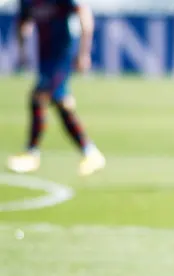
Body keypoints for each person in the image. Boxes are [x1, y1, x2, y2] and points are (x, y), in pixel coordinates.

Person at [7, 0, 105, 176]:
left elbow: (84, 15)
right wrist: (22, 52)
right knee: (61, 102)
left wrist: (83, 53)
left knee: (38, 97)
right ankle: (90, 152)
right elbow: (22, 22)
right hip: (45, 55)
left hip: (63, 52)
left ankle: (31, 153)